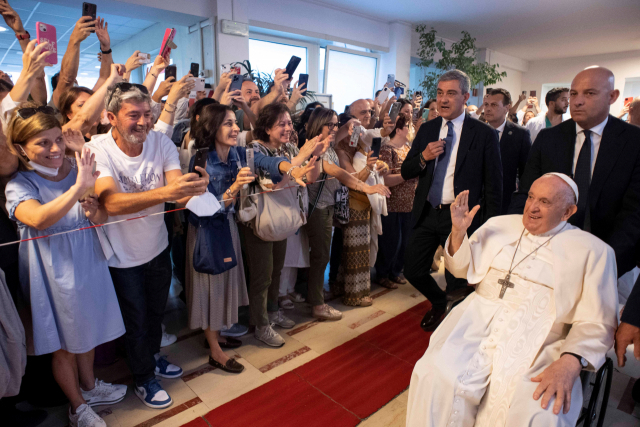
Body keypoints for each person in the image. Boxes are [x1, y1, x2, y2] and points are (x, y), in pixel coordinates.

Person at [406, 174, 618, 427]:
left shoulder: (595, 251)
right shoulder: (500, 225)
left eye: (545, 202)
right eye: (530, 197)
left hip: (540, 341)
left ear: (568, 211)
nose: (532, 208)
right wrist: (458, 233)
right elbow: (461, 270)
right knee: (433, 375)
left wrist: (570, 362)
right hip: (476, 323)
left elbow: (598, 322)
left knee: (539, 413)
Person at [87, 82, 209, 409]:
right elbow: (110, 202)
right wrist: (166, 194)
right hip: (120, 257)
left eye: (147, 114)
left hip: (157, 247)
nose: (143, 122)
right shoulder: (98, 149)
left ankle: (152, 358)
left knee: (156, 314)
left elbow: (177, 192)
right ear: (111, 117)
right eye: (134, 115)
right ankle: (143, 379)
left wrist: (194, 188)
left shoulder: (159, 142)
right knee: (136, 320)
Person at [5, 105, 128, 427]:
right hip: (53, 272)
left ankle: (89, 386)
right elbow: (38, 219)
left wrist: (92, 207)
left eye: (58, 139)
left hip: (87, 262)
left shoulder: (77, 170)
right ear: (21, 148)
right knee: (64, 345)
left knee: (86, 332)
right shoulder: (20, 183)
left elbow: (100, 216)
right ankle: (77, 407)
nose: (55, 149)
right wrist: (78, 188)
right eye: (42, 143)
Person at [186, 103, 309, 372]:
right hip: (208, 232)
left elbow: (268, 162)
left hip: (228, 226)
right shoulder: (201, 161)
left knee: (225, 285)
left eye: (235, 122)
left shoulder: (239, 153)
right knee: (210, 287)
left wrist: (291, 167)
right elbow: (201, 212)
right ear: (211, 128)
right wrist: (235, 186)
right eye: (227, 123)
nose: (235, 128)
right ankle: (215, 351)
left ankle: (215, 337)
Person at [510, 67, 640, 281]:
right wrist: (517, 243)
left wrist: (607, 261)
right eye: (573, 94)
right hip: (547, 251)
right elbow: (526, 193)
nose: (577, 101)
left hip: (611, 257)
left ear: (612, 96)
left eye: (589, 93)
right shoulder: (549, 138)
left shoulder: (633, 141)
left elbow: (634, 212)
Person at [401, 69, 503, 332]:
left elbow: (494, 185)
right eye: (440, 93)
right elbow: (407, 170)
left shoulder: (483, 134)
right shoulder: (428, 129)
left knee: (457, 278)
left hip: (459, 218)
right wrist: (424, 156)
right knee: (412, 269)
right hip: (427, 212)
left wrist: (487, 227)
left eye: (451, 93)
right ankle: (438, 302)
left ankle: (456, 331)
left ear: (465, 96)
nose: (443, 99)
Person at [242, 103, 321, 347]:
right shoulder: (255, 148)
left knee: (276, 270)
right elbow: (271, 180)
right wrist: (300, 158)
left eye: (289, 123)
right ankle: (261, 325)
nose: (288, 128)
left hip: (283, 217)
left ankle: (273, 310)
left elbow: (308, 178)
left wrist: (315, 157)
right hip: (262, 219)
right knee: (262, 276)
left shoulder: (288, 147)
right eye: (281, 124)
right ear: (266, 128)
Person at [303, 107, 389, 318]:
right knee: (321, 257)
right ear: (318, 125)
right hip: (319, 208)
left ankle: (315, 298)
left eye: (335, 124)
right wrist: (367, 187)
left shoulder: (330, 145)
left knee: (322, 256)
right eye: (329, 124)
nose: (333, 128)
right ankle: (317, 305)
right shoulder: (316, 148)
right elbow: (340, 173)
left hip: (328, 206)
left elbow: (349, 131)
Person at [334, 117, 390, 306]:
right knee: (354, 251)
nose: (358, 134)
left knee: (361, 250)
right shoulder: (340, 151)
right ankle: (354, 295)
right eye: (354, 130)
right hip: (353, 205)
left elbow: (377, 167)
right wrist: (368, 167)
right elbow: (352, 179)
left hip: (365, 205)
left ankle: (347, 288)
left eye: (360, 131)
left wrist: (381, 166)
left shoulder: (361, 147)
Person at [374, 115, 417, 288]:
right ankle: (383, 273)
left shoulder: (409, 148)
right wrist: (407, 175)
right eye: (408, 126)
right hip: (392, 202)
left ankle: (396, 271)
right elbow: (385, 179)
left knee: (405, 241)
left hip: (409, 201)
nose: (412, 129)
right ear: (398, 130)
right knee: (391, 241)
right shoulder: (387, 149)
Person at [483, 88, 531, 214]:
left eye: (494, 105)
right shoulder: (477, 132)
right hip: (479, 201)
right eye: (486, 104)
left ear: (507, 107)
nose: (487, 109)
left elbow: (526, 172)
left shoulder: (520, 134)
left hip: (507, 201)